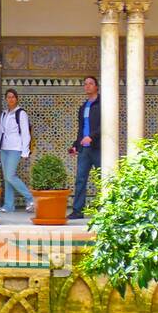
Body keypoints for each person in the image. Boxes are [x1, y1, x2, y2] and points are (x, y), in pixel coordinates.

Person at [0, 89, 33, 214]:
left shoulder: (21, 113)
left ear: (17, 98)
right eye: (8, 97)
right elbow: (0, 133)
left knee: (10, 176)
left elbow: (25, 133)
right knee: (7, 178)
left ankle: (31, 198)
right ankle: (9, 205)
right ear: (6, 99)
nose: (11, 99)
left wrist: (25, 151)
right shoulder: (4, 114)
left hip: (15, 148)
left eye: (13, 97)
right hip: (4, 148)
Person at [68, 76, 101, 220]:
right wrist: (76, 145)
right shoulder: (83, 107)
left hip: (98, 148)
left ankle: (106, 209)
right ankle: (77, 210)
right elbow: (81, 129)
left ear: (96, 87)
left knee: (103, 179)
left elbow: (106, 125)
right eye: (85, 84)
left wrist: (92, 137)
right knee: (80, 179)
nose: (87, 86)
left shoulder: (102, 105)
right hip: (84, 149)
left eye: (90, 84)